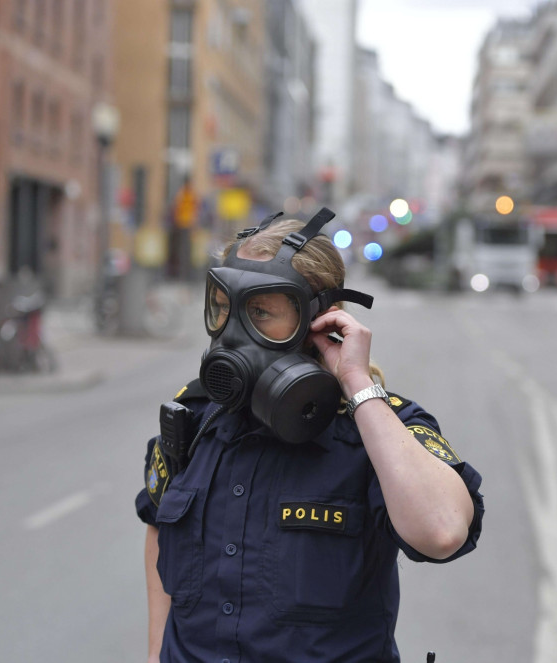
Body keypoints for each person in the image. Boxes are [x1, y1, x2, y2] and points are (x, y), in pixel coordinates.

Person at [135, 209, 485, 663]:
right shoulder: (196, 418)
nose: (232, 331)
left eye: (260, 310)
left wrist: (357, 382)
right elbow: (159, 531)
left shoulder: (379, 429)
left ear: (321, 320)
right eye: (223, 307)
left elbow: (440, 532)